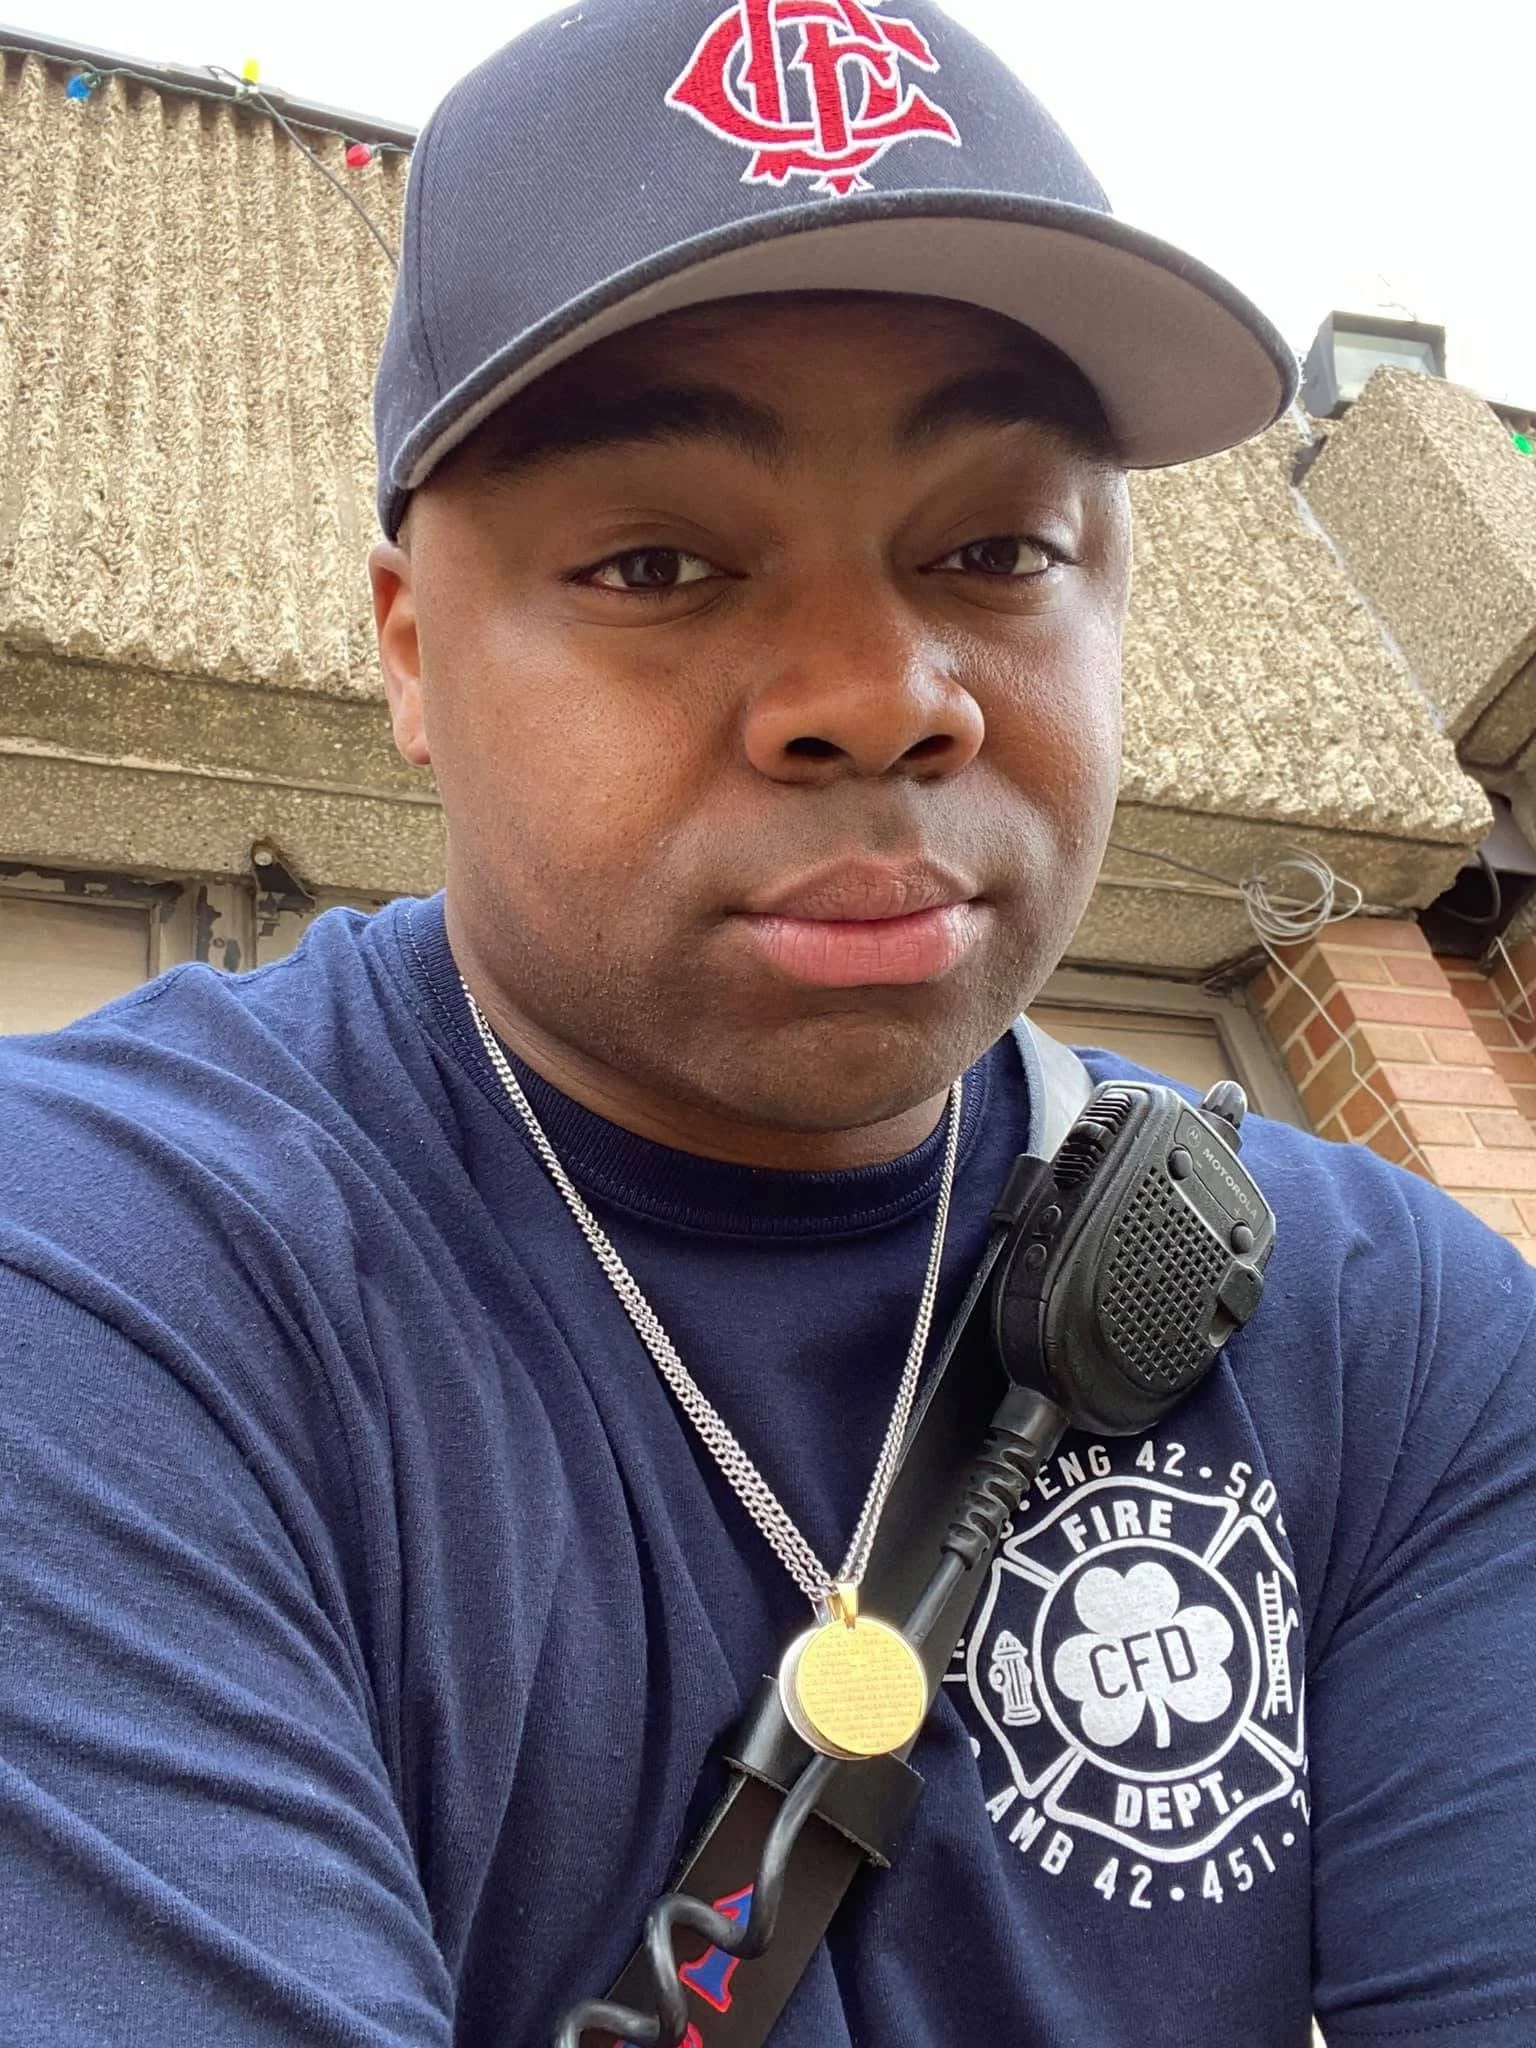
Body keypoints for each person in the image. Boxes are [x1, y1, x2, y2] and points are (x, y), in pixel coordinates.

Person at [1, 3, 1532, 2043]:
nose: (884, 685)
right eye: (657, 559)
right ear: (413, 651)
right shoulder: (102, 1284)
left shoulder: (1402, 1337)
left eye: (995, 547)